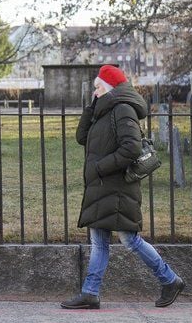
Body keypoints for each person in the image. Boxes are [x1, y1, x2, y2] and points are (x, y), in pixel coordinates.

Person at [60, 65, 185, 310]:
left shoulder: (123, 110)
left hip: (116, 186)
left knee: (130, 239)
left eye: (98, 87)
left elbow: (131, 148)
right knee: (99, 241)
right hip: (102, 187)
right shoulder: (104, 110)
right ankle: (90, 293)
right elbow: (81, 137)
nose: (94, 90)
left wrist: (99, 168)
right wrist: (91, 107)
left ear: (109, 87)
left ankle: (170, 279)